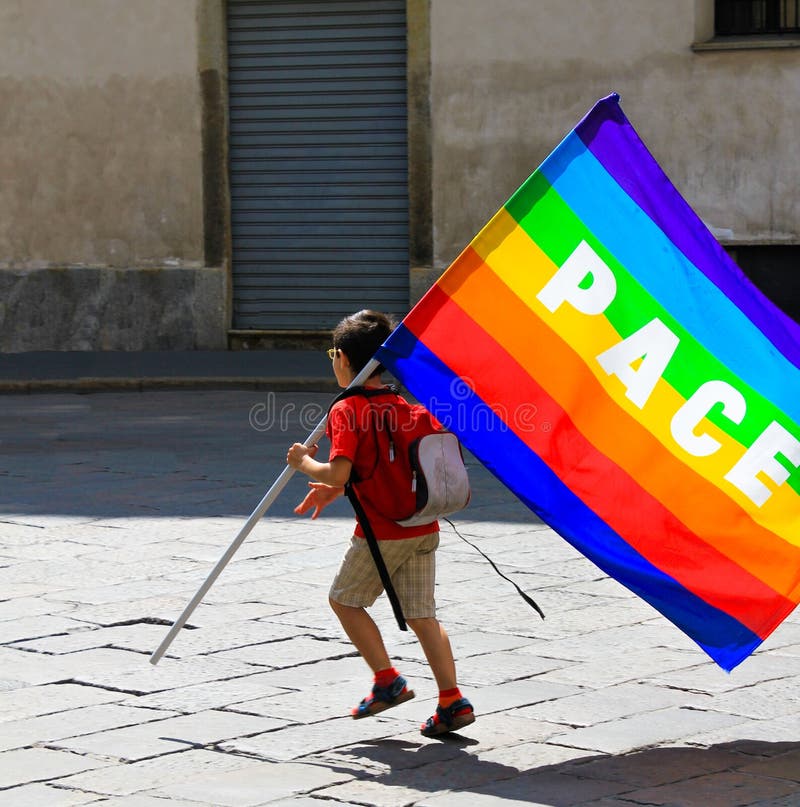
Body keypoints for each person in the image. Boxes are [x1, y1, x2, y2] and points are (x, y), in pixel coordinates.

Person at [286, 309, 474, 737]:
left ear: (347, 359)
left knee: (345, 601)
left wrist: (304, 464)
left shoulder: (348, 409)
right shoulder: (400, 404)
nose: (333, 360)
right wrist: (336, 490)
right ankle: (452, 700)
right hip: (422, 526)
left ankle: (387, 680)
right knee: (423, 614)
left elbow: (339, 470)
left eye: (333, 352)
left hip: (381, 533)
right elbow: (382, 466)